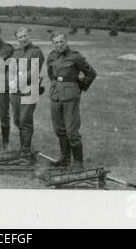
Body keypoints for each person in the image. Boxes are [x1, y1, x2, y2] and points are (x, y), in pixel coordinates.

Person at [47, 33, 97, 168]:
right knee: (59, 129)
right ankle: (64, 159)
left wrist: (80, 86)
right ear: (53, 44)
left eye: (61, 42)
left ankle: (78, 163)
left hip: (70, 97)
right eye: (56, 42)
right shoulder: (51, 56)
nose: (59, 45)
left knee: (72, 131)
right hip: (55, 96)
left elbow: (91, 73)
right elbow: (51, 74)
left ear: (66, 41)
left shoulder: (75, 57)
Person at [10, 27, 45, 153]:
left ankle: (25, 149)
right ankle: (23, 147)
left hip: (29, 90)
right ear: (17, 39)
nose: (23, 39)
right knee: (17, 120)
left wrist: (19, 79)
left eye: (25, 36)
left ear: (28, 36)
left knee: (25, 120)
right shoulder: (17, 52)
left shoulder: (36, 51)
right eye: (20, 37)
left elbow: (34, 71)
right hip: (15, 90)